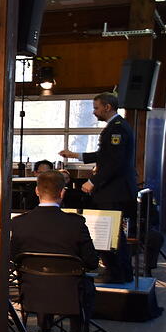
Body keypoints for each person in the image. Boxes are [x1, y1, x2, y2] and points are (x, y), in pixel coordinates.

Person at [10, 170, 99, 332]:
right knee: (82, 283)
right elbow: (91, 262)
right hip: (69, 295)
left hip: (32, 294)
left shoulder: (19, 223)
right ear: (62, 193)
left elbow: (13, 257)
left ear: (36, 191)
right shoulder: (76, 223)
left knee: (41, 277)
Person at [59, 92, 135, 283]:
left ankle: (116, 273)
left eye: (96, 108)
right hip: (113, 188)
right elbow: (104, 154)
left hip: (113, 189)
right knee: (114, 231)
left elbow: (114, 162)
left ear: (107, 107)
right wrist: (75, 155)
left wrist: (93, 181)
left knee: (111, 232)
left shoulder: (117, 128)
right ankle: (119, 272)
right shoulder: (115, 127)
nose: (94, 112)